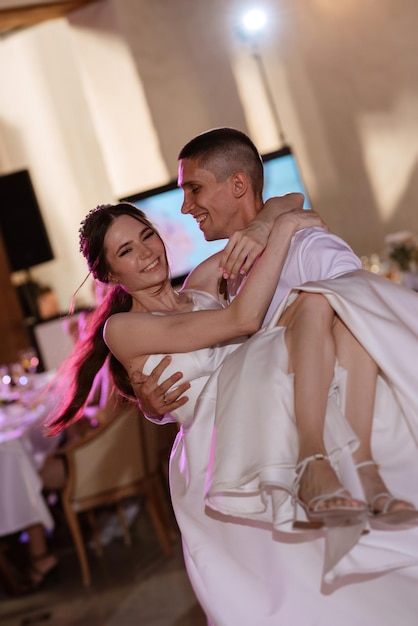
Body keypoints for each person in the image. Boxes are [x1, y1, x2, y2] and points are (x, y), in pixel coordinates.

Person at [47, 201, 418, 625]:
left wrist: (265, 226)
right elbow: (243, 320)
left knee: (336, 299)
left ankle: (358, 464)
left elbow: (289, 202)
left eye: (147, 235)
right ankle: (345, 464)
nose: (146, 252)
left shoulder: (203, 284)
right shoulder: (122, 329)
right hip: (219, 444)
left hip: (267, 409)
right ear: (109, 274)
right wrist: (283, 231)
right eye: (126, 251)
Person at [134, 127, 415, 524]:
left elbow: (359, 312)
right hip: (247, 437)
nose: (185, 207)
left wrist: (276, 225)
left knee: (319, 300)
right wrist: (153, 407)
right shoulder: (219, 274)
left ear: (237, 184)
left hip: (321, 427)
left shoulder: (308, 245)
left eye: (193, 189)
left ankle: (345, 468)